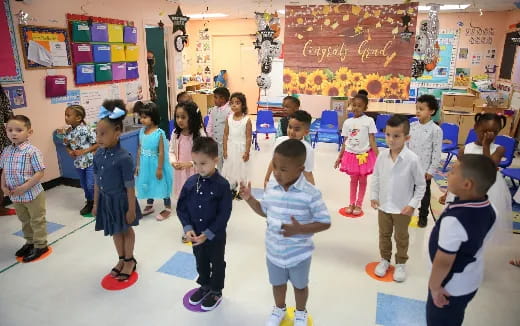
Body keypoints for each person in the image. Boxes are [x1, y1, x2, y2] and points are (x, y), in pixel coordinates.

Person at [240, 139, 331, 326]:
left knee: (300, 286)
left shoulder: (311, 193)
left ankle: (300, 312)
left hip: (299, 253)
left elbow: (325, 222)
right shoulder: (272, 187)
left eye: (283, 169)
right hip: (274, 251)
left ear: (300, 169)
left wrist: (301, 229)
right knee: (277, 284)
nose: (276, 173)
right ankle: (279, 308)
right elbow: (264, 211)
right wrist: (250, 199)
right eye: (275, 166)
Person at [427, 154, 497, 326]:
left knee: (440, 320)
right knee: (455, 317)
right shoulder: (490, 208)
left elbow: (443, 262)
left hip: (449, 286)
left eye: (452, 171)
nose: (448, 174)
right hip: (471, 278)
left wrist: (434, 287)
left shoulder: (455, 220)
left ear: (467, 184)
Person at [177, 137, 232, 311]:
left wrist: (208, 233)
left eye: (203, 163)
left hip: (215, 236)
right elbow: (181, 208)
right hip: (195, 235)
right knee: (200, 261)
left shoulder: (223, 186)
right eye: (195, 163)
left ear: (215, 160)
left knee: (216, 263)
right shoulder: (191, 183)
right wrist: (187, 228)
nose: (198, 168)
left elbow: (224, 214)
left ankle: (216, 290)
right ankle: (204, 285)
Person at [370, 115, 426, 282]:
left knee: (401, 236)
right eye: (388, 135)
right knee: (384, 234)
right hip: (383, 206)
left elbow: (421, 185)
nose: (391, 139)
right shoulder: (382, 156)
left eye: (396, 136)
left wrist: (412, 204)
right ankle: (385, 260)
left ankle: (401, 263)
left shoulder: (412, 159)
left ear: (406, 138)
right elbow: (376, 177)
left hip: (402, 208)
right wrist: (374, 196)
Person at [93, 99, 142, 281]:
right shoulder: (98, 155)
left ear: (117, 132)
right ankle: (121, 259)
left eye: (103, 134)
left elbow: (130, 186)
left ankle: (130, 260)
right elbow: (97, 182)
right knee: (115, 230)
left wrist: (130, 209)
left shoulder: (124, 158)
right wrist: (96, 203)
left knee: (126, 230)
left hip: (122, 200)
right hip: (106, 200)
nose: (99, 138)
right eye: (97, 133)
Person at [439, 113, 512, 234]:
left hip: (487, 189)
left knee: (480, 221)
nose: (489, 135)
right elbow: (457, 172)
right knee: (462, 218)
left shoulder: (499, 149)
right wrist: (447, 193)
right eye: (485, 131)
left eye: (494, 132)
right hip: (464, 186)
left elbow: (488, 168)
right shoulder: (466, 148)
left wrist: (486, 146)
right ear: (476, 128)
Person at [0, 115, 48, 262]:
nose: (13, 133)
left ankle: (40, 245)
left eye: (19, 130)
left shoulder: (32, 151)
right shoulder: (6, 151)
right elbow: (3, 170)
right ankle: (30, 242)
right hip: (15, 195)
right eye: (10, 130)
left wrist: (25, 186)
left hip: (32, 194)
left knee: (36, 219)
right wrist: (3, 186)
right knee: (24, 219)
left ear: (29, 132)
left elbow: (40, 172)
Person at [334, 94, 378, 215]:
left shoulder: (369, 121)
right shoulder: (348, 122)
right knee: (353, 180)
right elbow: (345, 141)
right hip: (351, 155)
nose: (356, 108)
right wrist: (339, 157)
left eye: (359, 106)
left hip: (364, 155)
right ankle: (351, 203)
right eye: (354, 105)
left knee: (362, 180)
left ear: (365, 107)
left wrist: (379, 157)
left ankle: (359, 204)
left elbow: (372, 140)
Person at [169, 102, 206, 242]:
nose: (179, 120)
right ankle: (188, 229)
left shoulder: (199, 134)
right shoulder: (175, 134)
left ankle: (199, 228)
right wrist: (173, 162)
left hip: (196, 174)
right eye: (177, 117)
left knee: (196, 202)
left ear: (192, 117)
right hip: (181, 175)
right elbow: (171, 151)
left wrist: (189, 164)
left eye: (183, 117)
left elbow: (204, 157)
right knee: (184, 202)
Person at [407, 95, 442, 227]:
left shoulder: (436, 130)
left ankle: (423, 216)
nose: (418, 111)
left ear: (431, 111)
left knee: (424, 194)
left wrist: (431, 170)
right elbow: (406, 145)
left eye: (421, 109)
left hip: (424, 170)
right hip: (410, 168)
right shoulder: (412, 126)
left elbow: (436, 152)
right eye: (417, 108)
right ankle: (407, 212)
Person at [57, 105, 98, 215]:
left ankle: (97, 203)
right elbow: (67, 144)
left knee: (91, 184)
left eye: (68, 115)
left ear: (78, 118)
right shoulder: (68, 131)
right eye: (65, 115)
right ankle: (89, 202)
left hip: (90, 161)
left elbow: (97, 144)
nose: (66, 117)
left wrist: (84, 151)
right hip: (79, 163)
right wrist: (69, 151)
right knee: (84, 185)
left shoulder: (87, 129)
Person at [135, 101, 173, 221]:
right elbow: (140, 148)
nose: (142, 119)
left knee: (162, 184)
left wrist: (160, 168)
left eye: (145, 117)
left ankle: (167, 207)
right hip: (145, 164)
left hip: (156, 164)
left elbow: (161, 152)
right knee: (147, 182)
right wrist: (138, 165)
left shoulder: (159, 133)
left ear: (153, 117)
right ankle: (149, 204)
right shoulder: (142, 132)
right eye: (141, 117)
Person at [264, 110, 315, 187]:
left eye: (297, 129)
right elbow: (273, 162)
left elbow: (308, 173)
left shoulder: (308, 150)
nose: (292, 132)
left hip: (296, 187)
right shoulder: (279, 141)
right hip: (277, 183)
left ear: (306, 132)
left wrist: (313, 190)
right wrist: (267, 178)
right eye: (290, 127)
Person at [221, 92, 252, 199]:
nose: (234, 105)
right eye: (232, 103)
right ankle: (233, 188)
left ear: (243, 105)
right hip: (231, 147)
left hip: (242, 148)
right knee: (231, 169)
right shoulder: (229, 118)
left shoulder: (246, 120)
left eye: (237, 103)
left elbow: (248, 137)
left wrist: (247, 152)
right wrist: (224, 150)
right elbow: (225, 134)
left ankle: (242, 190)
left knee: (242, 169)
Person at [206, 87, 231, 171]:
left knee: (227, 162)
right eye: (214, 97)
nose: (214, 99)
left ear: (223, 99)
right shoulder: (213, 109)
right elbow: (210, 124)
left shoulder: (230, 111)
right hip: (215, 142)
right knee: (218, 162)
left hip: (226, 143)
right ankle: (220, 179)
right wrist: (209, 136)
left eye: (216, 97)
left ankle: (230, 182)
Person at [0, 84, 15, 216]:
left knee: (2, 174)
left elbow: (8, 115)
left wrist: (16, 133)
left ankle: (0, 207)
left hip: (1, 140)